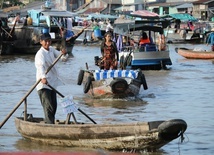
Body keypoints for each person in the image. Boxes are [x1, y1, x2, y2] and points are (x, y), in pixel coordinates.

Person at [35, 33, 67, 124]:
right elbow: (40, 67)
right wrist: (43, 78)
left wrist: (64, 53)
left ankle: (51, 123)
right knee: (48, 107)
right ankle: (50, 125)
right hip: (44, 84)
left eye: (49, 41)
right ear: (41, 42)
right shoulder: (40, 54)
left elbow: (62, 58)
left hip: (52, 83)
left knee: (54, 106)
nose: (48, 43)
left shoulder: (52, 50)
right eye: (46, 41)